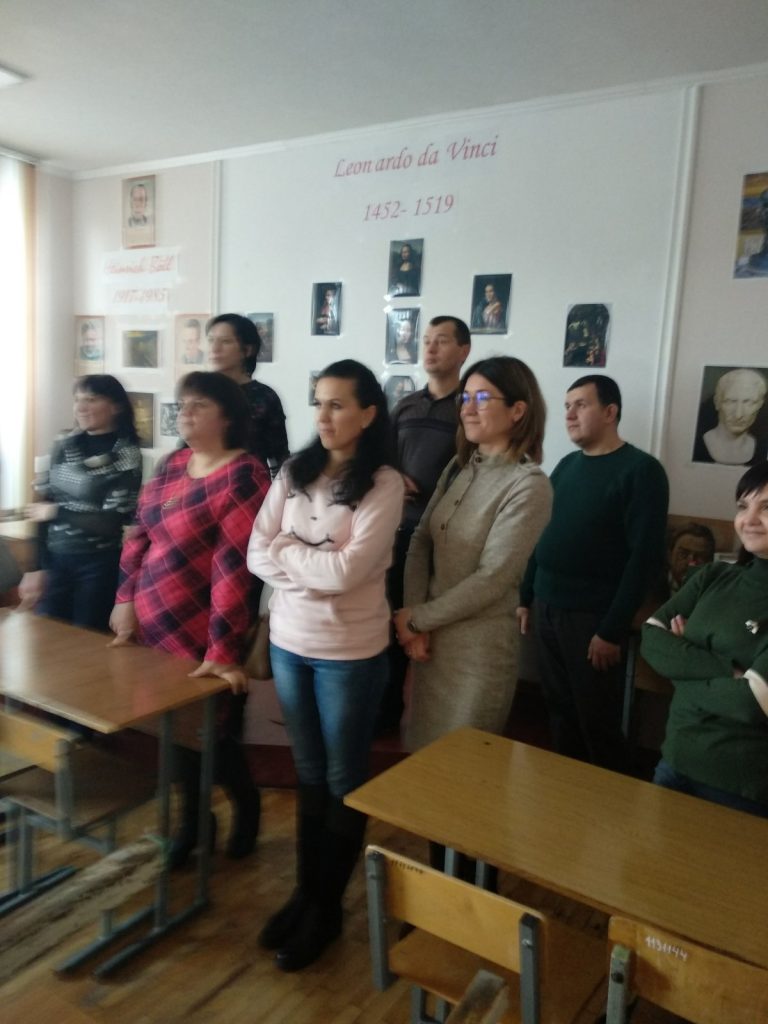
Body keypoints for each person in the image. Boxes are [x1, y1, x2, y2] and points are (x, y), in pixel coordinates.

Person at [247, 359, 403, 972]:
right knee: (308, 774)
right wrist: (307, 563)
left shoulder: (384, 483)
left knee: (343, 778)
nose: (324, 416)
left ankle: (328, 909)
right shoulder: (293, 471)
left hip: (349, 654)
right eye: (318, 402)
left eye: (338, 404)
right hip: (289, 642)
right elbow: (257, 550)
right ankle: (305, 894)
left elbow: (348, 572)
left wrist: (290, 552)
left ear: (368, 413)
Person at [110, 371, 270, 865]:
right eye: (182, 405)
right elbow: (139, 535)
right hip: (153, 618)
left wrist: (222, 649)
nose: (185, 413)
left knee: (208, 732)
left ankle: (245, 805)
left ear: (228, 417)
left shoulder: (245, 474)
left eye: (199, 405)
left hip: (205, 626)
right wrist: (124, 599)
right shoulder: (173, 463)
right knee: (170, 729)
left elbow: (233, 569)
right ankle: (195, 823)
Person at [394, 356, 551, 755]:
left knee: (461, 769)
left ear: (518, 410)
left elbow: (493, 577)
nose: (468, 407)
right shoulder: (460, 466)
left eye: (482, 397)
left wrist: (417, 619)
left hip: (477, 654)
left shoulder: (528, 485)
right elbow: (421, 541)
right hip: (430, 643)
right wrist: (415, 617)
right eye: (465, 398)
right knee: (420, 762)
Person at [518, 375, 669, 771]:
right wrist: (525, 596)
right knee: (558, 710)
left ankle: (606, 804)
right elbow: (540, 533)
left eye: (580, 405)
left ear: (610, 411)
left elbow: (645, 559)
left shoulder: (642, 471)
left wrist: (611, 630)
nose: (569, 414)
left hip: (592, 619)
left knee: (596, 720)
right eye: (567, 406)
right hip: (547, 607)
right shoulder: (567, 465)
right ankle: (565, 793)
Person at [641, 461, 768, 817]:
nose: (749, 519)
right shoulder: (713, 576)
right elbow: (651, 637)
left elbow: (750, 703)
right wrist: (729, 672)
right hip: (674, 760)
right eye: (743, 506)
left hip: (739, 785)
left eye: (766, 508)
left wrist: (682, 664)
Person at [378, 315, 471, 733]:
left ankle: (436, 725)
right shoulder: (406, 405)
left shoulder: (469, 409)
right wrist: (395, 477)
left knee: (431, 629)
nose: (430, 348)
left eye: (442, 340)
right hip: (396, 533)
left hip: (443, 539)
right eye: (427, 340)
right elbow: (382, 460)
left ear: (464, 351)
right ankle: (385, 716)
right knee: (390, 623)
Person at [17, 375, 142, 631]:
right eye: (77, 400)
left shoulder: (126, 454)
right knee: (46, 636)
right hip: (54, 559)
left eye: (92, 400)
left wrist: (57, 512)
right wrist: (35, 568)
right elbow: (39, 508)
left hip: (98, 563)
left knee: (87, 640)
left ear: (116, 406)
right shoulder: (63, 444)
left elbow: (109, 523)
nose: (81, 407)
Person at [207, 313, 289, 478]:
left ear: (247, 350)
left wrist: (278, 492)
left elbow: (279, 457)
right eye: (211, 340)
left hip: (250, 486)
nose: (215, 348)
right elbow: (185, 450)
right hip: (203, 486)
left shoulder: (265, 397)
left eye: (225, 341)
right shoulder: (201, 392)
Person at [693, 368, 767, 466]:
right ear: (717, 402)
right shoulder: (695, 445)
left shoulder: (763, 450)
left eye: (748, 402)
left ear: (760, 405)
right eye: (730, 401)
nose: (738, 415)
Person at [667, 521, 715, 593]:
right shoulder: (652, 586)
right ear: (670, 555)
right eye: (683, 554)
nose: (691, 563)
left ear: (710, 561)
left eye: (700, 556)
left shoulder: (713, 591)